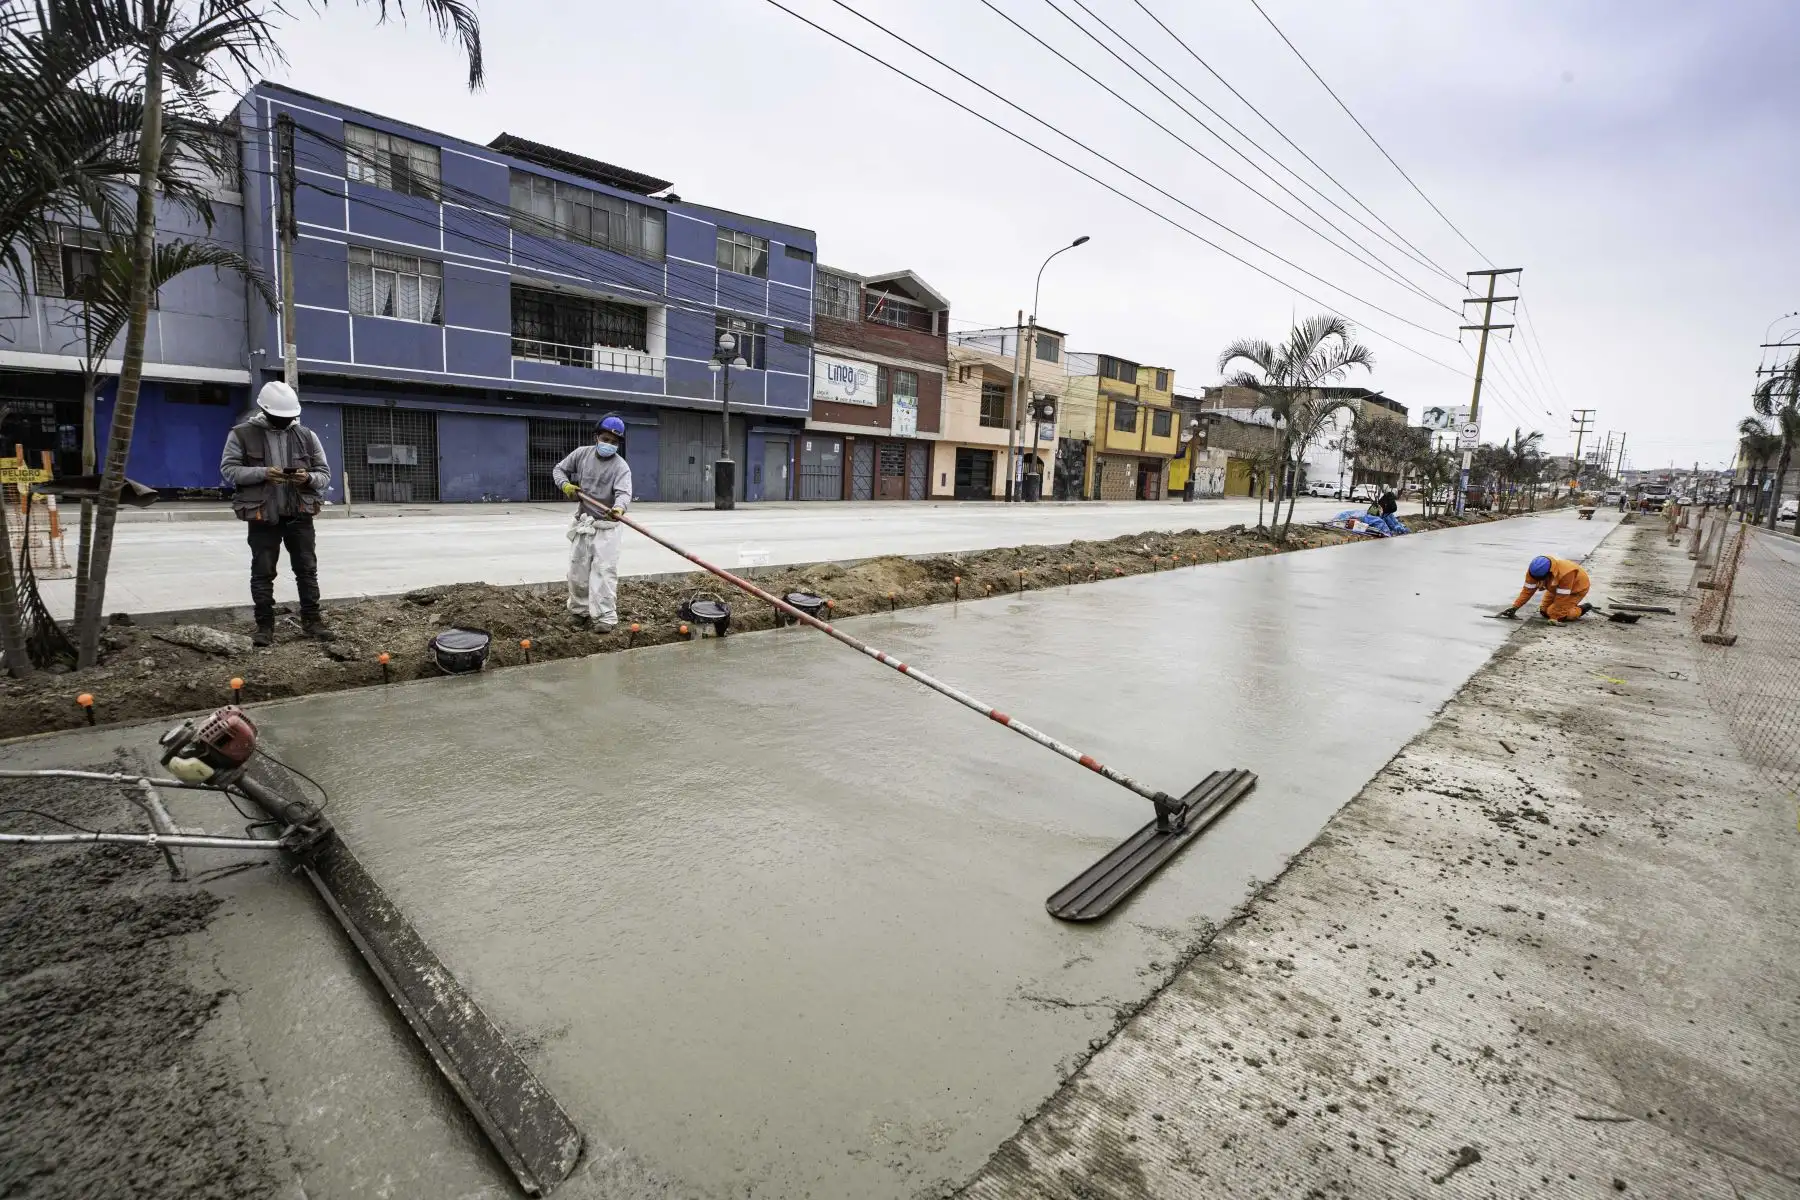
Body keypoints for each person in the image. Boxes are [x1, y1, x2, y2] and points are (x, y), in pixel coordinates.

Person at [220, 381, 331, 646]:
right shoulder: (242, 434)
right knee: (262, 571)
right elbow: (228, 470)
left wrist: (308, 479)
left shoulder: (306, 435)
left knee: (306, 570)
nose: (284, 422)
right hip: (262, 517)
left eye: (288, 418)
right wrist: (263, 473)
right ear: (264, 410)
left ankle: (312, 623)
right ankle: (264, 628)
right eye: (279, 418)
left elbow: (324, 475)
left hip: (299, 515)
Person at [552, 415, 633, 631]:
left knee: (604, 572)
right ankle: (579, 612)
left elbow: (624, 493)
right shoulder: (581, 454)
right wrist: (566, 486)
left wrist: (619, 508)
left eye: (614, 442)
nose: (609, 445)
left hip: (607, 526)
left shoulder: (620, 467)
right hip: (584, 523)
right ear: (597, 437)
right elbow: (558, 470)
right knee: (578, 570)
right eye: (606, 439)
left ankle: (605, 617)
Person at [1498, 554, 1591, 623]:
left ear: (1550, 573)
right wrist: (1515, 607)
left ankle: (1582, 609)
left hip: (1575, 590)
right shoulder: (1533, 572)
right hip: (1554, 588)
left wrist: (1555, 618)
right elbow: (1527, 591)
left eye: (1540, 579)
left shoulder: (1566, 573)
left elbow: (1562, 597)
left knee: (1557, 616)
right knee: (1544, 611)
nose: (1537, 581)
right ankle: (1565, 609)